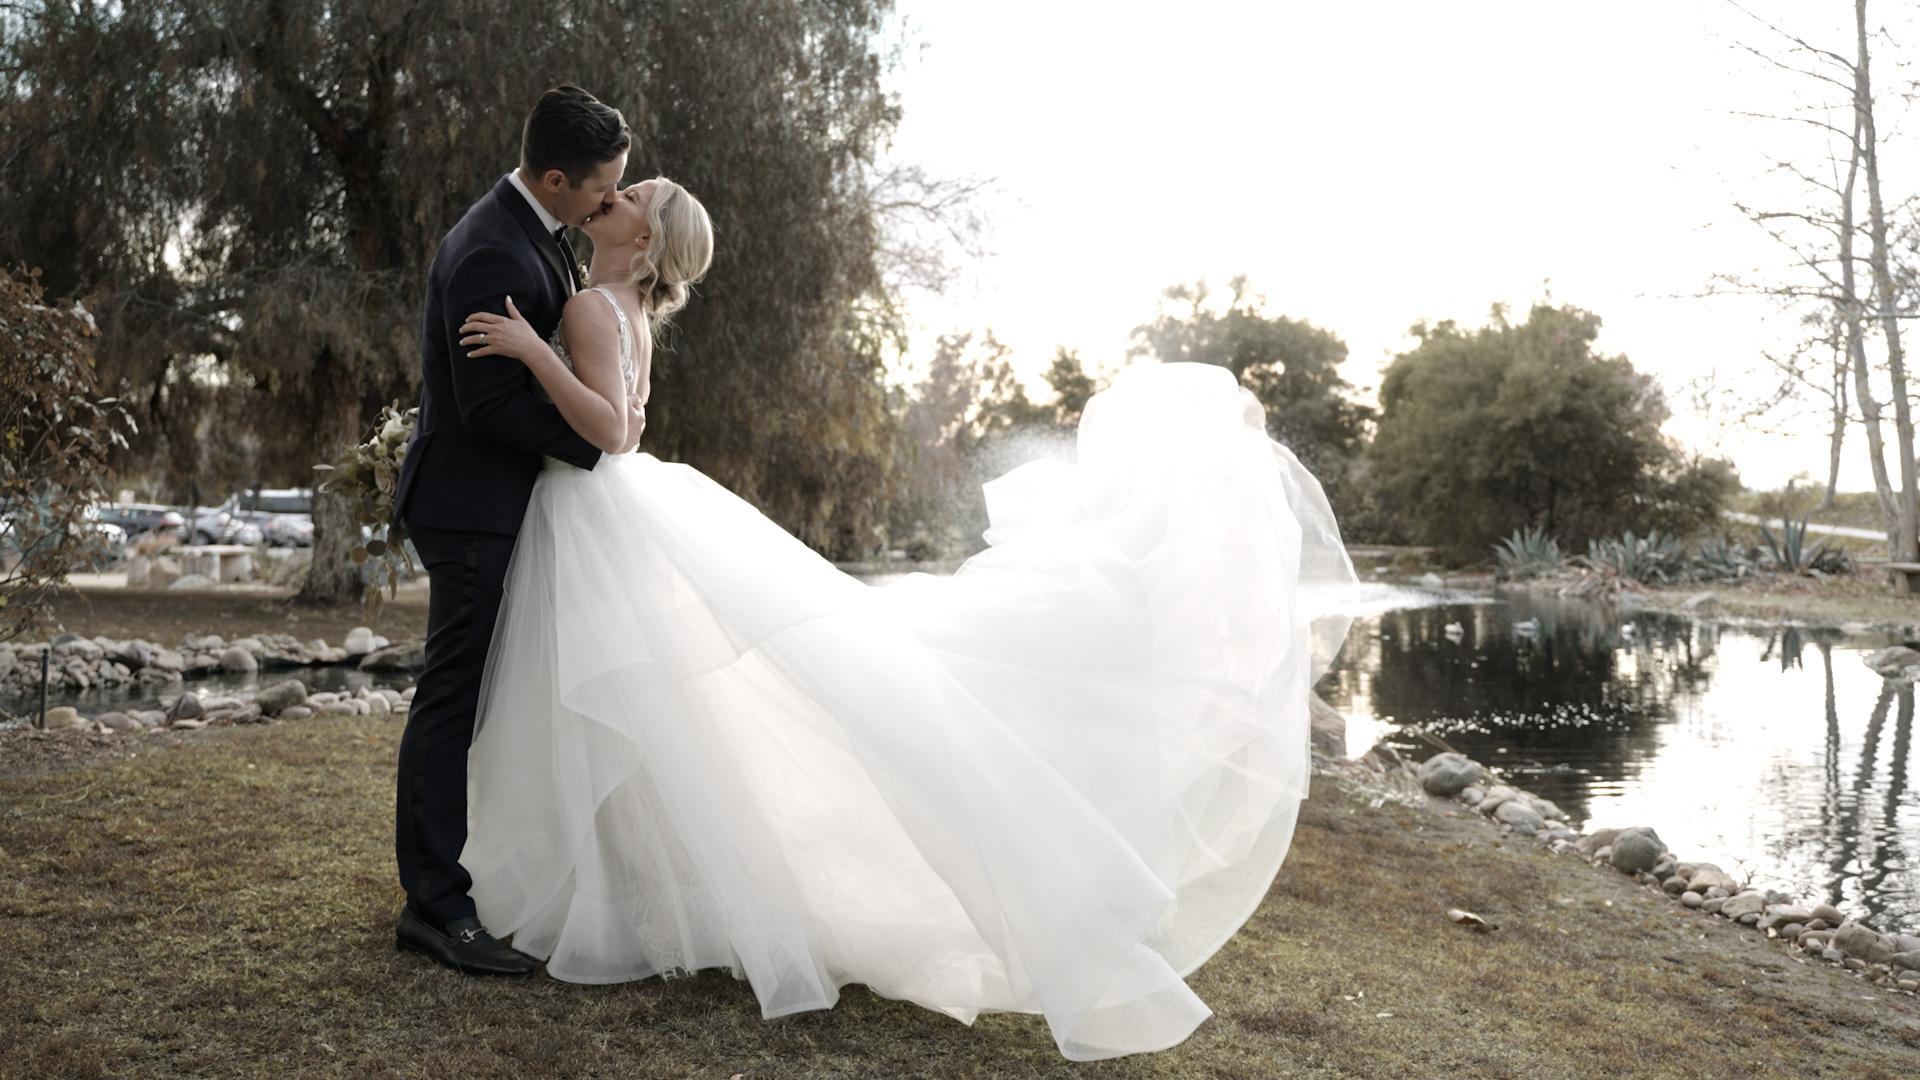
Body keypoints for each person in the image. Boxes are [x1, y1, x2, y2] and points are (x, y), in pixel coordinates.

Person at [455, 177, 1358, 1060]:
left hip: (595, 510)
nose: (613, 197)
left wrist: (533, 352)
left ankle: (600, 896)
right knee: (649, 705)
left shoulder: (590, 309)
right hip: (608, 511)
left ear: (645, 239)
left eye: (631, 198)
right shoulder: (622, 310)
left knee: (622, 703)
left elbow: (616, 433)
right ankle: (624, 892)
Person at [389, 84, 641, 976]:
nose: (609, 201)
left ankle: (483, 877)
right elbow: (488, 406)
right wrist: (597, 443)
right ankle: (434, 908)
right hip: (470, 508)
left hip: (497, 504)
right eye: (602, 186)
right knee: (451, 699)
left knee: (483, 697)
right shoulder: (494, 248)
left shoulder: (533, 233)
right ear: (557, 178)